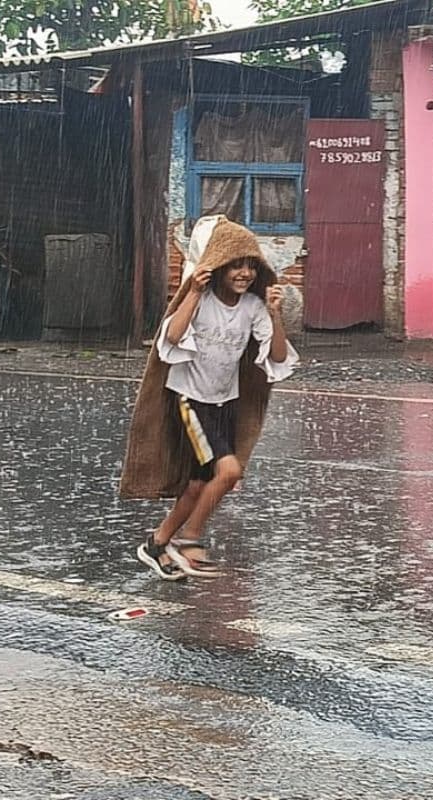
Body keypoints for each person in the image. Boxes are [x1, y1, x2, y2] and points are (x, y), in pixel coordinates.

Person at [119, 216, 299, 580]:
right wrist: (195, 292)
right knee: (229, 471)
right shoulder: (200, 300)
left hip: (225, 403)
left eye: (251, 265)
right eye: (235, 264)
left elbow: (277, 357)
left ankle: (156, 544)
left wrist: (275, 315)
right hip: (191, 401)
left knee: (199, 484)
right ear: (217, 266)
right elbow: (170, 339)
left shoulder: (252, 307)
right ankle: (189, 539)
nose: (244, 273)